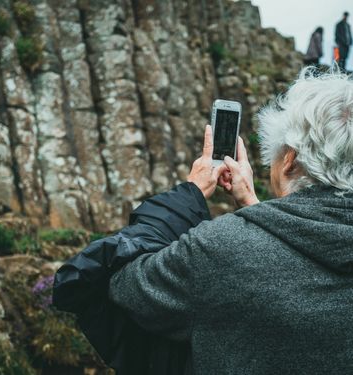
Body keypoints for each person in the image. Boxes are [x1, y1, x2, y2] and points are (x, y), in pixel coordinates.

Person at [54, 67, 353, 374]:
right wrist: (256, 208)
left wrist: (188, 196)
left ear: (289, 160)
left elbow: (123, 286)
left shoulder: (224, 251)